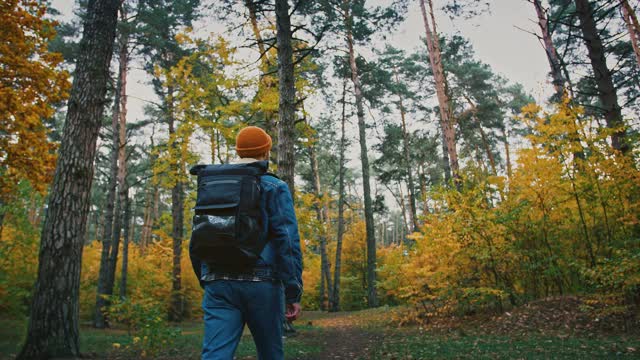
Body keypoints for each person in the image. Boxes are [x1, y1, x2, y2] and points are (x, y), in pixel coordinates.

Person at [189, 126, 303, 360]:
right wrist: (292, 292)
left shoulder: (213, 183)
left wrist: (205, 276)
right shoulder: (274, 186)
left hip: (217, 280)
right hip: (263, 282)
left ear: (239, 152)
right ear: (266, 152)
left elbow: (198, 236)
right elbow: (287, 241)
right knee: (270, 354)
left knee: (215, 354)